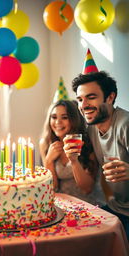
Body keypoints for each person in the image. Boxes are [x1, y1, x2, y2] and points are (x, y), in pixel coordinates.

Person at [71, 71, 129, 239]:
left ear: (110, 97)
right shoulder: (91, 128)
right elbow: (87, 187)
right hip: (115, 209)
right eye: (80, 99)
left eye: (91, 97)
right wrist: (73, 159)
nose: (84, 105)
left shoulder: (125, 125)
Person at [40, 99, 105, 205]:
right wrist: (48, 161)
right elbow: (53, 187)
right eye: (54, 117)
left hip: (88, 205)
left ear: (74, 120)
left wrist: (74, 160)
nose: (58, 122)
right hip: (63, 205)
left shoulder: (88, 142)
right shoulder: (46, 143)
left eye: (65, 117)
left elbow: (87, 189)